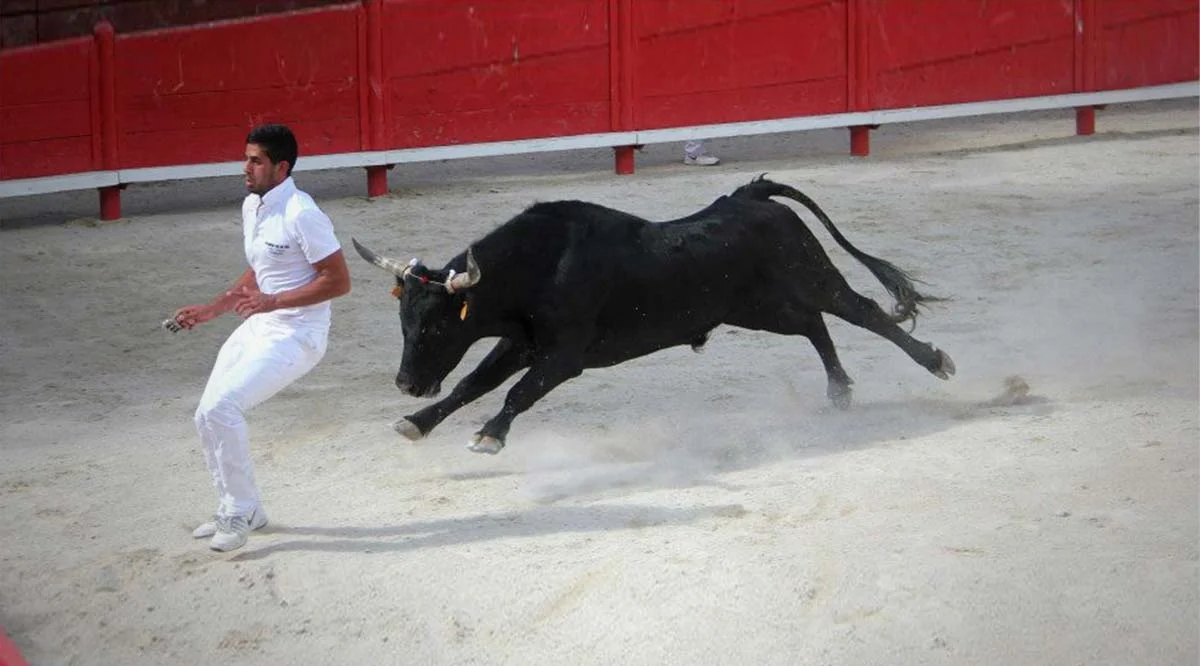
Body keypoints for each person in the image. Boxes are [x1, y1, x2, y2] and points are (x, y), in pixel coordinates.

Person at [171, 124, 351, 552]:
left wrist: (274, 302)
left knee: (222, 406)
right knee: (205, 414)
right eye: (246, 158)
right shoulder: (253, 207)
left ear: (281, 167)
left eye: (256, 161)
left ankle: (238, 511)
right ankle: (242, 507)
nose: (245, 169)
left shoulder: (302, 213)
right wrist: (213, 308)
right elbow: (261, 267)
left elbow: (339, 280)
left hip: (298, 334)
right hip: (259, 324)